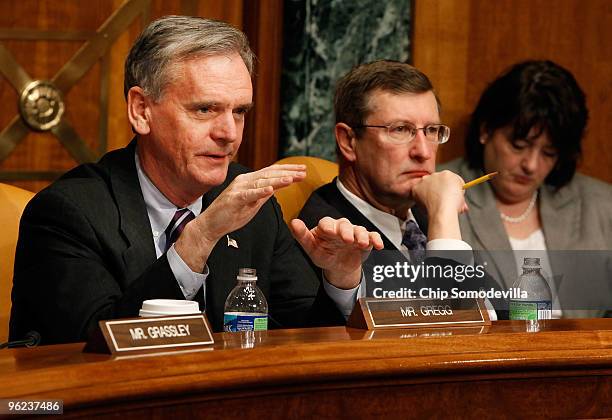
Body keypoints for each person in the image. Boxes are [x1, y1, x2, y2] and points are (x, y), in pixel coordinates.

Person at [9, 16, 383, 345]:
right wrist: (200, 238)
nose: (229, 133)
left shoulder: (251, 201)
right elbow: (90, 348)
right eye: (205, 109)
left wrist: (341, 279)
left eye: (239, 112)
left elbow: (299, 338)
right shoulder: (68, 213)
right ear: (141, 110)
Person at [299, 60, 497, 317]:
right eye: (401, 130)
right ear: (348, 141)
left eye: (432, 130)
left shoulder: (425, 219)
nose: (423, 152)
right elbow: (451, 324)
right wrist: (444, 215)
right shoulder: (328, 232)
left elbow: (499, 315)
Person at [441, 60, 612, 317]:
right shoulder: (442, 190)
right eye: (518, 145)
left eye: (549, 152)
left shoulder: (600, 204)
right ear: (486, 129)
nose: (531, 165)